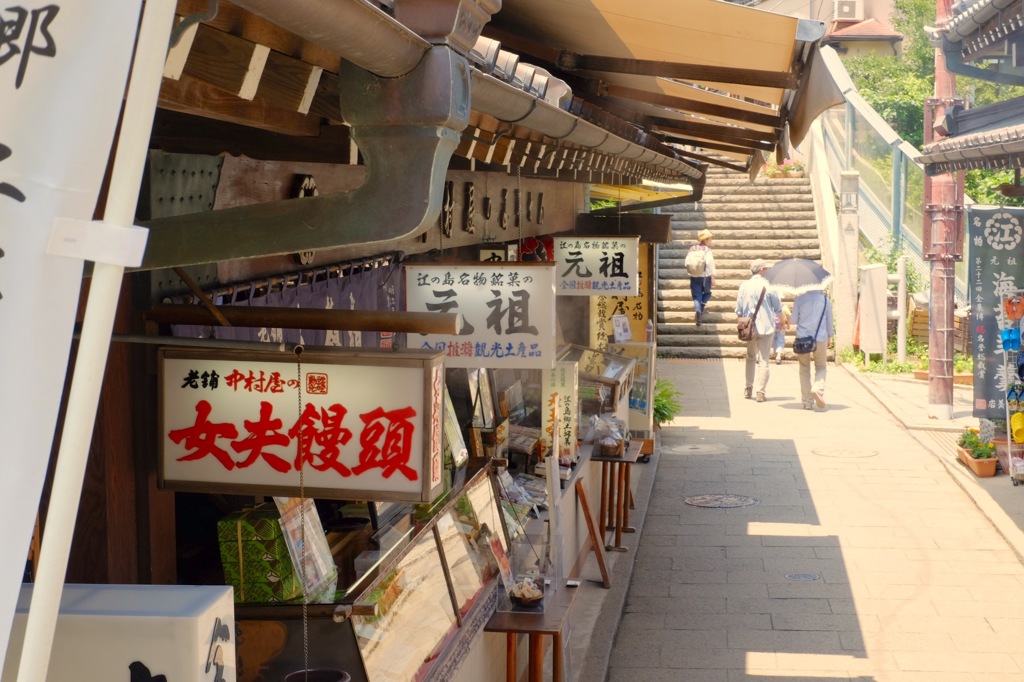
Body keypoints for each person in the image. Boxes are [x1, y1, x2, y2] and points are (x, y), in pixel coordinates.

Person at [735, 259, 782, 402]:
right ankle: (760, 392)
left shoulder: (744, 286)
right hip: (767, 327)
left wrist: (745, 323)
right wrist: (783, 322)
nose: (767, 271)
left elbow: (739, 310)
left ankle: (748, 388)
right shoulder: (769, 286)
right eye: (766, 268)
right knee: (764, 360)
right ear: (761, 270)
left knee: (750, 357)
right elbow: (778, 309)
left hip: (750, 328)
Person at [791, 288, 834, 410]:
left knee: (804, 369)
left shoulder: (799, 299)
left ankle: (807, 402)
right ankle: (817, 388)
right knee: (821, 366)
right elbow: (829, 322)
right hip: (820, 338)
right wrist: (830, 336)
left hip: (803, 339)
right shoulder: (825, 300)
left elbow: (794, 320)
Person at [687, 229, 716, 326]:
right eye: (710, 239)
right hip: (705, 277)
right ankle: (701, 307)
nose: (711, 241)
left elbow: (687, 262)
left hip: (694, 276)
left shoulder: (692, 248)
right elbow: (710, 264)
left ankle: (698, 311)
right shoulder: (707, 250)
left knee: (696, 296)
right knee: (707, 293)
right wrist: (713, 277)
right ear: (706, 240)